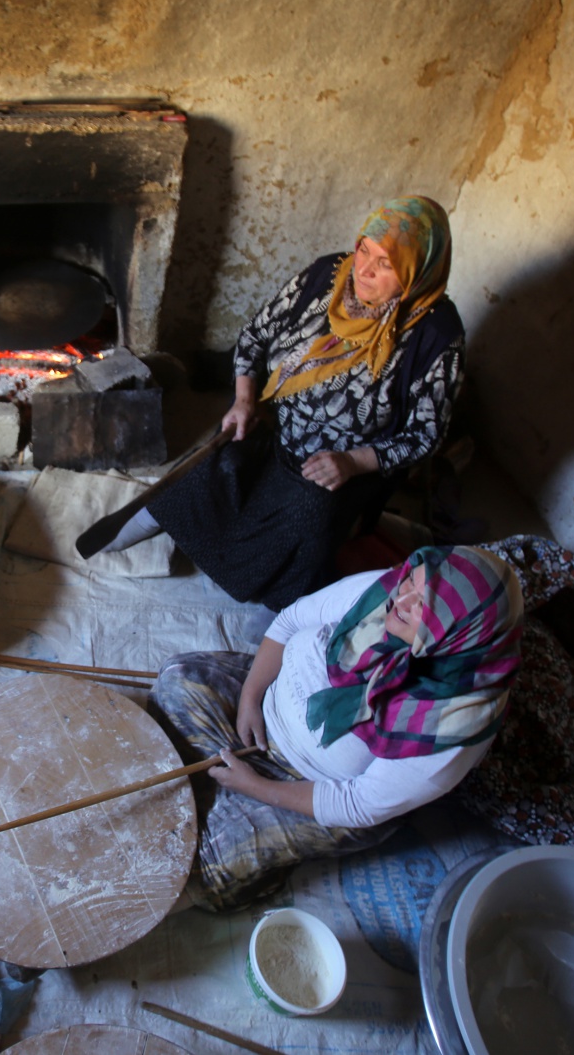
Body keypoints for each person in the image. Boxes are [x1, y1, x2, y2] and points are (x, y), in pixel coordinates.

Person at [107, 196, 463, 611]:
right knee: (216, 461)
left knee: (306, 514)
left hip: (345, 461)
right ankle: (150, 522)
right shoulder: (328, 275)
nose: (364, 269)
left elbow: (426, 434)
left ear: (418, 271)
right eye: (365, 249)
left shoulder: (435, 331)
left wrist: (353, 462)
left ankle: (276, 604)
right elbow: (255, 337)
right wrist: (243, 400)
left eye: (385, 264)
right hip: (275, 421)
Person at [149, 546, 522, 912]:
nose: (400, 598)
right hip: (265, 707)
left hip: (314, 787)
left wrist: (258, 788)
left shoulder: (453, 725)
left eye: (422, 604)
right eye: (410, 578)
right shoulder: (382, 591)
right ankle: (225, 791)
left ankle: (236, 803)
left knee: (212, 866)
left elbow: (358, 803)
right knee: (175, 679)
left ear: (458, 634)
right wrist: (250, 698)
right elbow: (291, 620)